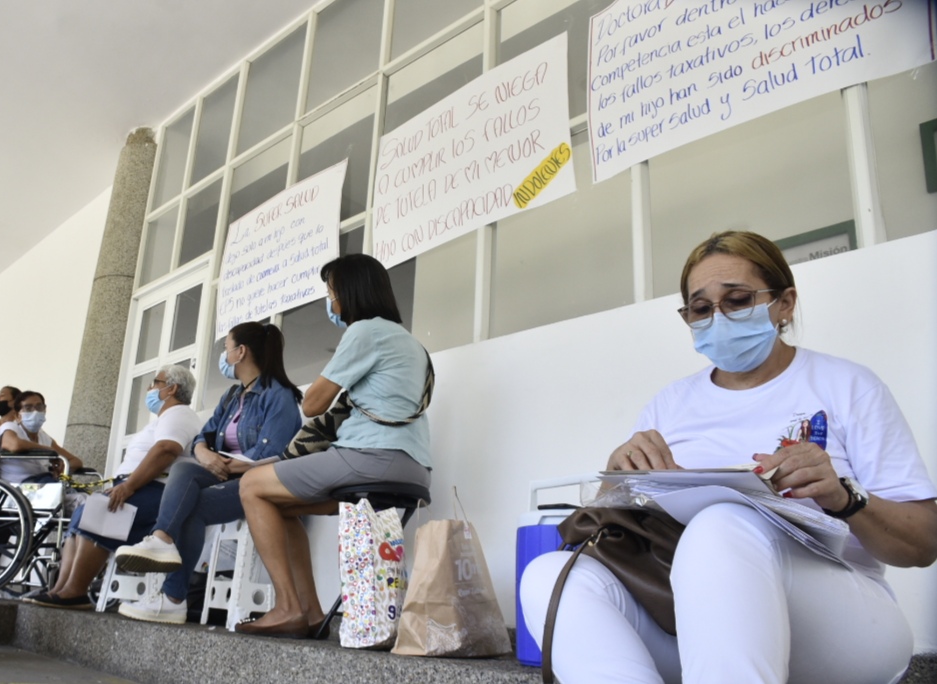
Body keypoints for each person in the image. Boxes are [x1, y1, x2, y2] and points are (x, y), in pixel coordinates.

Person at [520, 231, 937, 684]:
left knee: (722, 523)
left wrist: (843, 497)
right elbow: (618, 529)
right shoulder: (670, 405)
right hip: (695, 627)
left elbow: (922, 544)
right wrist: (618, 478)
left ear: (785, 304)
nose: (718, 318)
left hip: (846, 627)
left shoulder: (849, 387)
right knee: (549, 575)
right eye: (701, 309)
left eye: (737, 300)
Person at [236, 254, 433, 638]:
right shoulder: (411, 344)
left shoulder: (364, 332)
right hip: (413, 468)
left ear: (348, 292)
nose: (332, 302)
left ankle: (288, 606)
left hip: (371, 459)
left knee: (251, 485)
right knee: (283, 504)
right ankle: (308, 613)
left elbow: (312, 405)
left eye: (332, 292)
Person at [113, 322, 303, 624]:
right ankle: (162, 541)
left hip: (260, 483)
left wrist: (223, 464)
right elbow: (204, 436)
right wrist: (203, 454)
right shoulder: (231, 396)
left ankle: (172, 598)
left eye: (227, 347)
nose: (224, 354)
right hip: (227, 475)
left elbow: (272, 454)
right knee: (187, 468)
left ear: (240, 352)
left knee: (193, 506)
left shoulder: (278, 396)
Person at [25, 365, 201, 610]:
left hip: (155, 491)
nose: (150, 388)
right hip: (139, 487)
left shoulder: (180, 413)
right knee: (81, 515)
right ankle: (60, 589)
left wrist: (128, 486)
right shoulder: (163, 418)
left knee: (103, 511)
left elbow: (166, 450)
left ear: (172, 389)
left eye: (155, 382)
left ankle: (75, 591)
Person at [0, 390, 83, 484]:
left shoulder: (43, 437)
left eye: (39, 407)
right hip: (19, 488)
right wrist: (48, 450)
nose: (35, 412)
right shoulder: (10, 427)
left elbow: (76, 461)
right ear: (17, 416)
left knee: (92, 497)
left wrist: (62, 469)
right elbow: (14, 445)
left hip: (45, 485)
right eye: (28, 408)